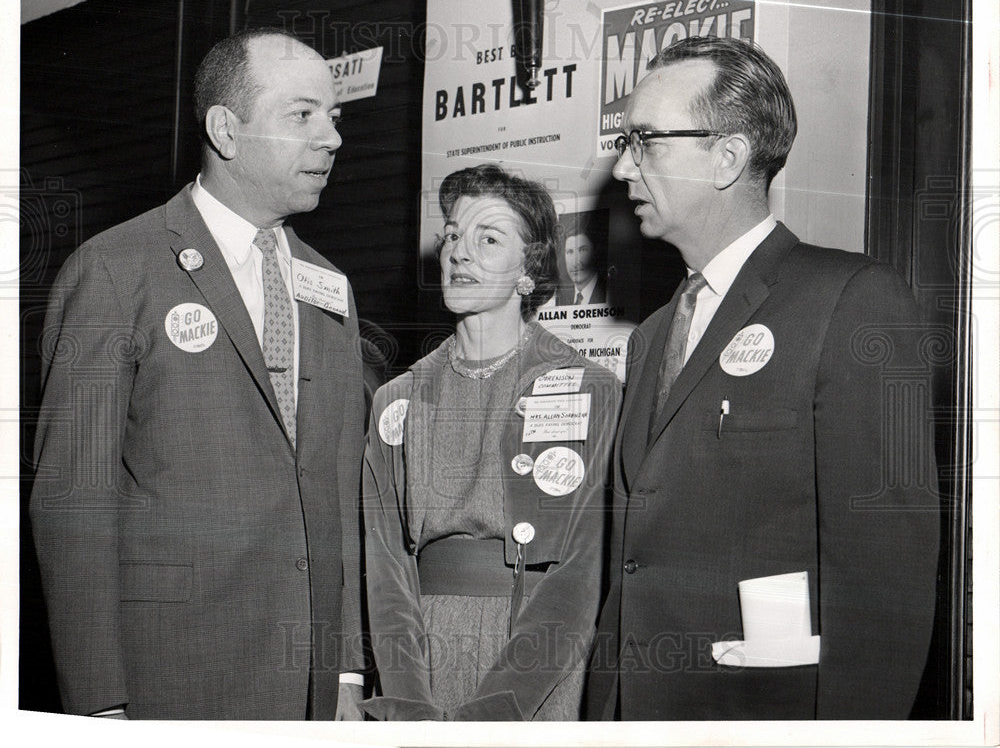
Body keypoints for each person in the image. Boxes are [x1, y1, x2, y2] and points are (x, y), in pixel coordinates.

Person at [585, 36, 940, 720]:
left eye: (647, 142)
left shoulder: (852, 301)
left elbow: (883, 584)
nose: (624, 165)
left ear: (729, 156)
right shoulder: (655, 334)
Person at [30, 28, 367, 720]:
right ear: (226, 129)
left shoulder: (330, 286)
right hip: (169, 676)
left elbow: (338, 490)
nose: (331, 137)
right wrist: (99, 703)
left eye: (334, 117)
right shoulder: (117, 270)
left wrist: (346, 669)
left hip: (305, 681)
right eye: (303, 115)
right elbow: (72, 499)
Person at [361, 164, 622, 720]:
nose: (460, 252)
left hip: (536, 666)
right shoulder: (396, 401)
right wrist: (408, 700)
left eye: (489, 238)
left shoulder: (587, 390)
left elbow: (580, 571)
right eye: (453, 234)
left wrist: (500, 709)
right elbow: (386, 570)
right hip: (423, 663)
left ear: (529, 270)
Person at [555, 221, 608, 306]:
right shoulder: (560, 298)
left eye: (583, 250)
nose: (575, 263)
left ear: (595, 252)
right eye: (570, 252)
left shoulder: (609, 294)